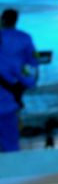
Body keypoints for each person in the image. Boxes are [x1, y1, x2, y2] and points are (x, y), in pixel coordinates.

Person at [0, 8, 38, 152]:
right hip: (8, 102)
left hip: (7, 99)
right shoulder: (24, 38)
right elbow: (32, 64)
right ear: (16, 20)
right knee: (10, 143)